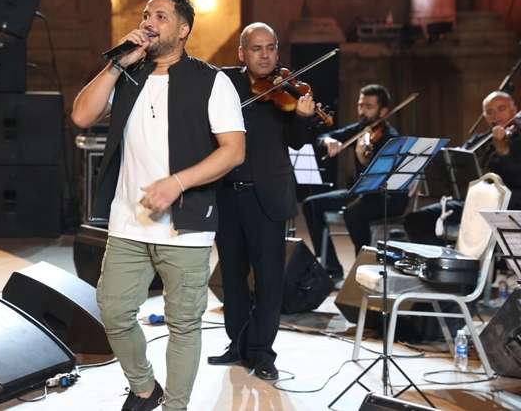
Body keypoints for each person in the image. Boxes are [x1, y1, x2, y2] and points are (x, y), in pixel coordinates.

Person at [71, 0, 245, 411]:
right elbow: (81, 115)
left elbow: (233, 151)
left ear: (183, 29)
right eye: (146, 15)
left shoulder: (212, 81)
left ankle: (175, 407)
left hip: (186, 227)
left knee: (183, 324)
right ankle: (146, 390)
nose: (148, 23)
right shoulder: (128, 76)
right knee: (113, 311)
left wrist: (178, 182)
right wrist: (116, 64)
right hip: (127, 223)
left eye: (160, 16)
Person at [206, 23, 316, 379]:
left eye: (270, 47)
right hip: (227, 195)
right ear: (242, 53)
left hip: (267, 196)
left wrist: (303, 118)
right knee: (232, 277)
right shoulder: (225, 83)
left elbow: (297, 141)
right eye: (256, 48)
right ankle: (238, 344)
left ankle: (262, 353)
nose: (265, 55)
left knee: (269, 280)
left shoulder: (288, 91)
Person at [301, 85, 408, 281]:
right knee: (311, 205)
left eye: (369, 106)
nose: (362, 111)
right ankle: (332, 269)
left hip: (387, 197)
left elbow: (381, 179)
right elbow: (322, 137)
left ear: (383, 111)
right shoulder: (360, 129)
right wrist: (328, 141)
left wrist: (363, 159)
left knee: (354, 213)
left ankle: (363, 268)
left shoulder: (391, 138)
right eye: (360, 105)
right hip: (361, 192)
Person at [404, 91, 521, 243]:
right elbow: (457, 161)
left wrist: (503, 151)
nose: (496, 116)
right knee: (415, 220)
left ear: (514, 110)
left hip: (505, 204)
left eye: (501, 109)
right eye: (490, 112)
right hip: (471, 203)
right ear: (484, 116)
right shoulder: (479, 140)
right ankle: (445, 256)